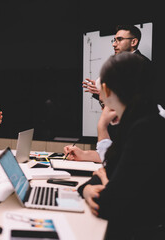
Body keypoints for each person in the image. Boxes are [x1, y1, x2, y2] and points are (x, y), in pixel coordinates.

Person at [79, 52, 165, 239]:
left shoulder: (145, 130)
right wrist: (86, 189)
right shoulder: (138, 121)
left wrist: (103, 179)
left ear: (107, 90)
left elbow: (109, 204)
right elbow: (105, 176)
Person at [65, 24, 151, 162]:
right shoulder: (123, 66)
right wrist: (101, 96)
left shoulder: (141, 66)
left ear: (134, 42)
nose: (114, 44)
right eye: (114, 40)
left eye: (119, 39)